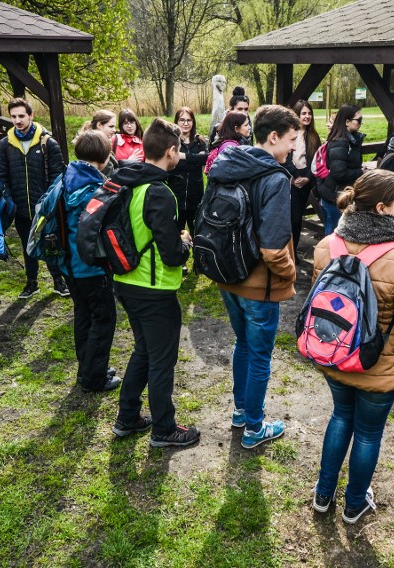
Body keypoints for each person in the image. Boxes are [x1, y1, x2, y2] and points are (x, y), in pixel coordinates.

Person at [311, 170, 394, 524]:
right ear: (382, 208)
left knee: (340, 417)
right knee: (367, 432)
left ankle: (323, 493)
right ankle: (354, 504)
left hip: (333, 353)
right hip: (379, 364)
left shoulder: (326, 246)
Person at [207, 105, 299, 449]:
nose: (293, 148)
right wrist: (290, 274)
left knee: (242, 344)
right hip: (258, 285)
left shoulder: (226, 164)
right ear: (272, 137)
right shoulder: (275, 178)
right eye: (291, 140)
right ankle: (254, 427)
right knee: (259, 355)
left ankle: (241, 411)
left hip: (226, 274)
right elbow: (275, 249)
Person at [110, 118, 200, 448]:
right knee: (162, 360)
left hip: (124, 280)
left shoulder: (126, 180)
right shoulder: (159, 193)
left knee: (144, 351)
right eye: (179, 151)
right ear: (171, 151)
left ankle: (128, 417)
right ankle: (164, 429)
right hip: (155, 288)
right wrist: (186, 242)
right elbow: (173, 254)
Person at [59, 130, 121, 393]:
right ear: (105, 155)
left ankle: (88, 368)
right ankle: (95, 378)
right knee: (103, 319)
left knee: (84, 316)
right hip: (90, 267)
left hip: (69, 265)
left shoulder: (67, 177)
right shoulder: (93, 190)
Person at [0, 98, 68, 299]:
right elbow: (1, 176)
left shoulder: (48, 142)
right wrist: (9, 200)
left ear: (31, 116)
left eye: (21, 116)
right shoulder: (5, 145)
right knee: (27, 245)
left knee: (51, 243)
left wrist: (49, 201)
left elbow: (57, 174)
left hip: (44, 207)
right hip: (20, 207)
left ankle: (58, 282)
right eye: (13, 116)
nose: (17, 120)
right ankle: (32, 283)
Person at [318, 104, 365, 235]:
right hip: (334, 195)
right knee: (334, 234)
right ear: (347, 122)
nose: (361, 123)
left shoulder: (349, 140)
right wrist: (361, 172)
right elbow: (339, 173)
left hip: (338, 194)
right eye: (359, 120)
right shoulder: (341, 142)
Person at [284, 100, 321, 253]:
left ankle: (294, 250)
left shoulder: (312, 135)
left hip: (305, 181)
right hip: (291, 180)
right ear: (297, 115)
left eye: (309, 113)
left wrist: (307, 178)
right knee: (290, 218)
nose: (307, 116)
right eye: (303, 113)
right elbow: (285, 158)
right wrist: (295, 176)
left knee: (298, 218)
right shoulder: (289, 133)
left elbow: (316, 160)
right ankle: (287, 251)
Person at [169, 107, 207, 235]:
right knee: (175, 233)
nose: (185, 123)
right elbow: (171, 163)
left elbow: (206, 159)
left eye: (189, 120)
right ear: (176, 121)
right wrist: (195, 160)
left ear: (193, 122)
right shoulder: (171, 142)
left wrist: (183, 156)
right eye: (182, 120)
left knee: (197, 232)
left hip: (195, 196)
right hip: (176, 195)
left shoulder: (199, 141)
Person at [204, 111, 249, 175]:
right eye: (246, 125)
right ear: (236, 128)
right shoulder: (230, 148)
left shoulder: (227, 143)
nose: (249, 127)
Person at [78, 109, 118, 175]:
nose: (114, 130)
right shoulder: (92, 144)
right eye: (111, 126)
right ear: (99, 125)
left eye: (114, 127)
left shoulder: (102, 142)